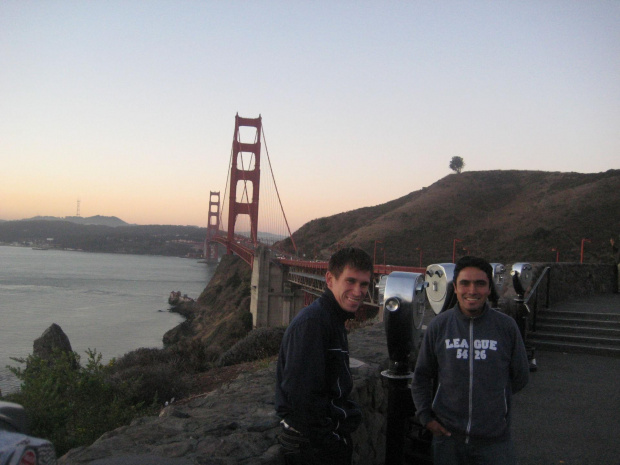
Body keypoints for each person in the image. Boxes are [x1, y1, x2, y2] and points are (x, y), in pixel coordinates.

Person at [411, 256, 529, 465]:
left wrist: (493, 404)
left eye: (480, 284)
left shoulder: (506, 327)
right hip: (448, 439)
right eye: (465, 283)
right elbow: (421, 376)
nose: (472, 291)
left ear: (489, 288)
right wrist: (426, 418)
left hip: (495, 442)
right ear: (454, 288)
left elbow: (519, 376)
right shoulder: (439, 326)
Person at [275, 247, 373, 465]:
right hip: (312, 449)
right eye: (350, 281)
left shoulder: (332, 319)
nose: (358, 291)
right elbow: (301, 400)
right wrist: (332, 440)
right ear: (329, 279)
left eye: (364, 284)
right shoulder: (313, 324)